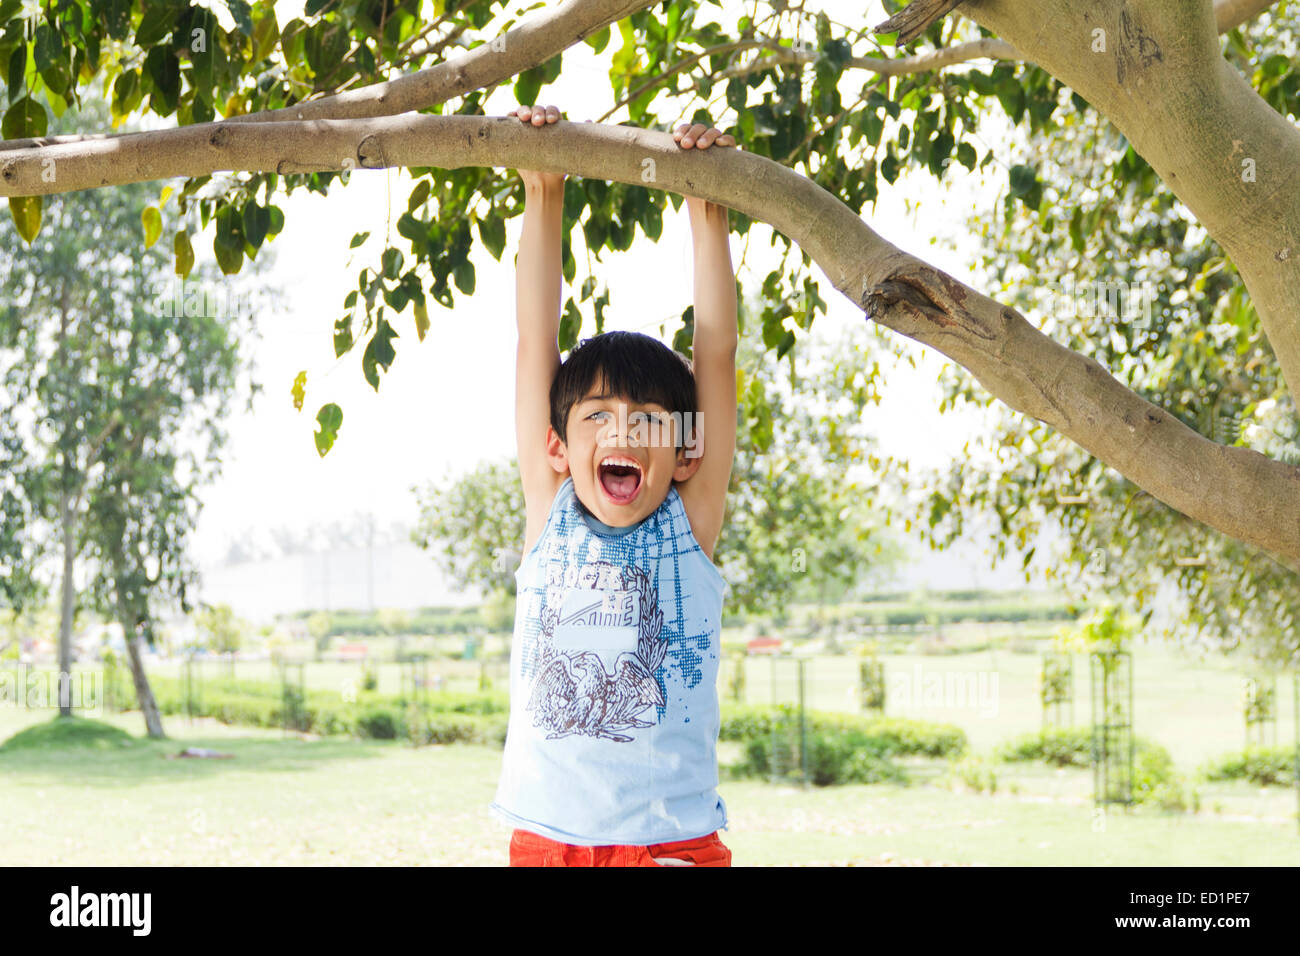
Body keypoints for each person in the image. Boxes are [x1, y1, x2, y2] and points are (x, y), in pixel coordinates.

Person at [490, 104, 740, 866]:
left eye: (647, 419)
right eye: (598, 415)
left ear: (686, 451)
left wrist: (707, 205)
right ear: (559, 448)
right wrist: (544, 187)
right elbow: (537, 336)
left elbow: (718, 353)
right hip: (546, 843)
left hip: (668, 845)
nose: (623, 432)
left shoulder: (687, 524)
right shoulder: (550, 511)